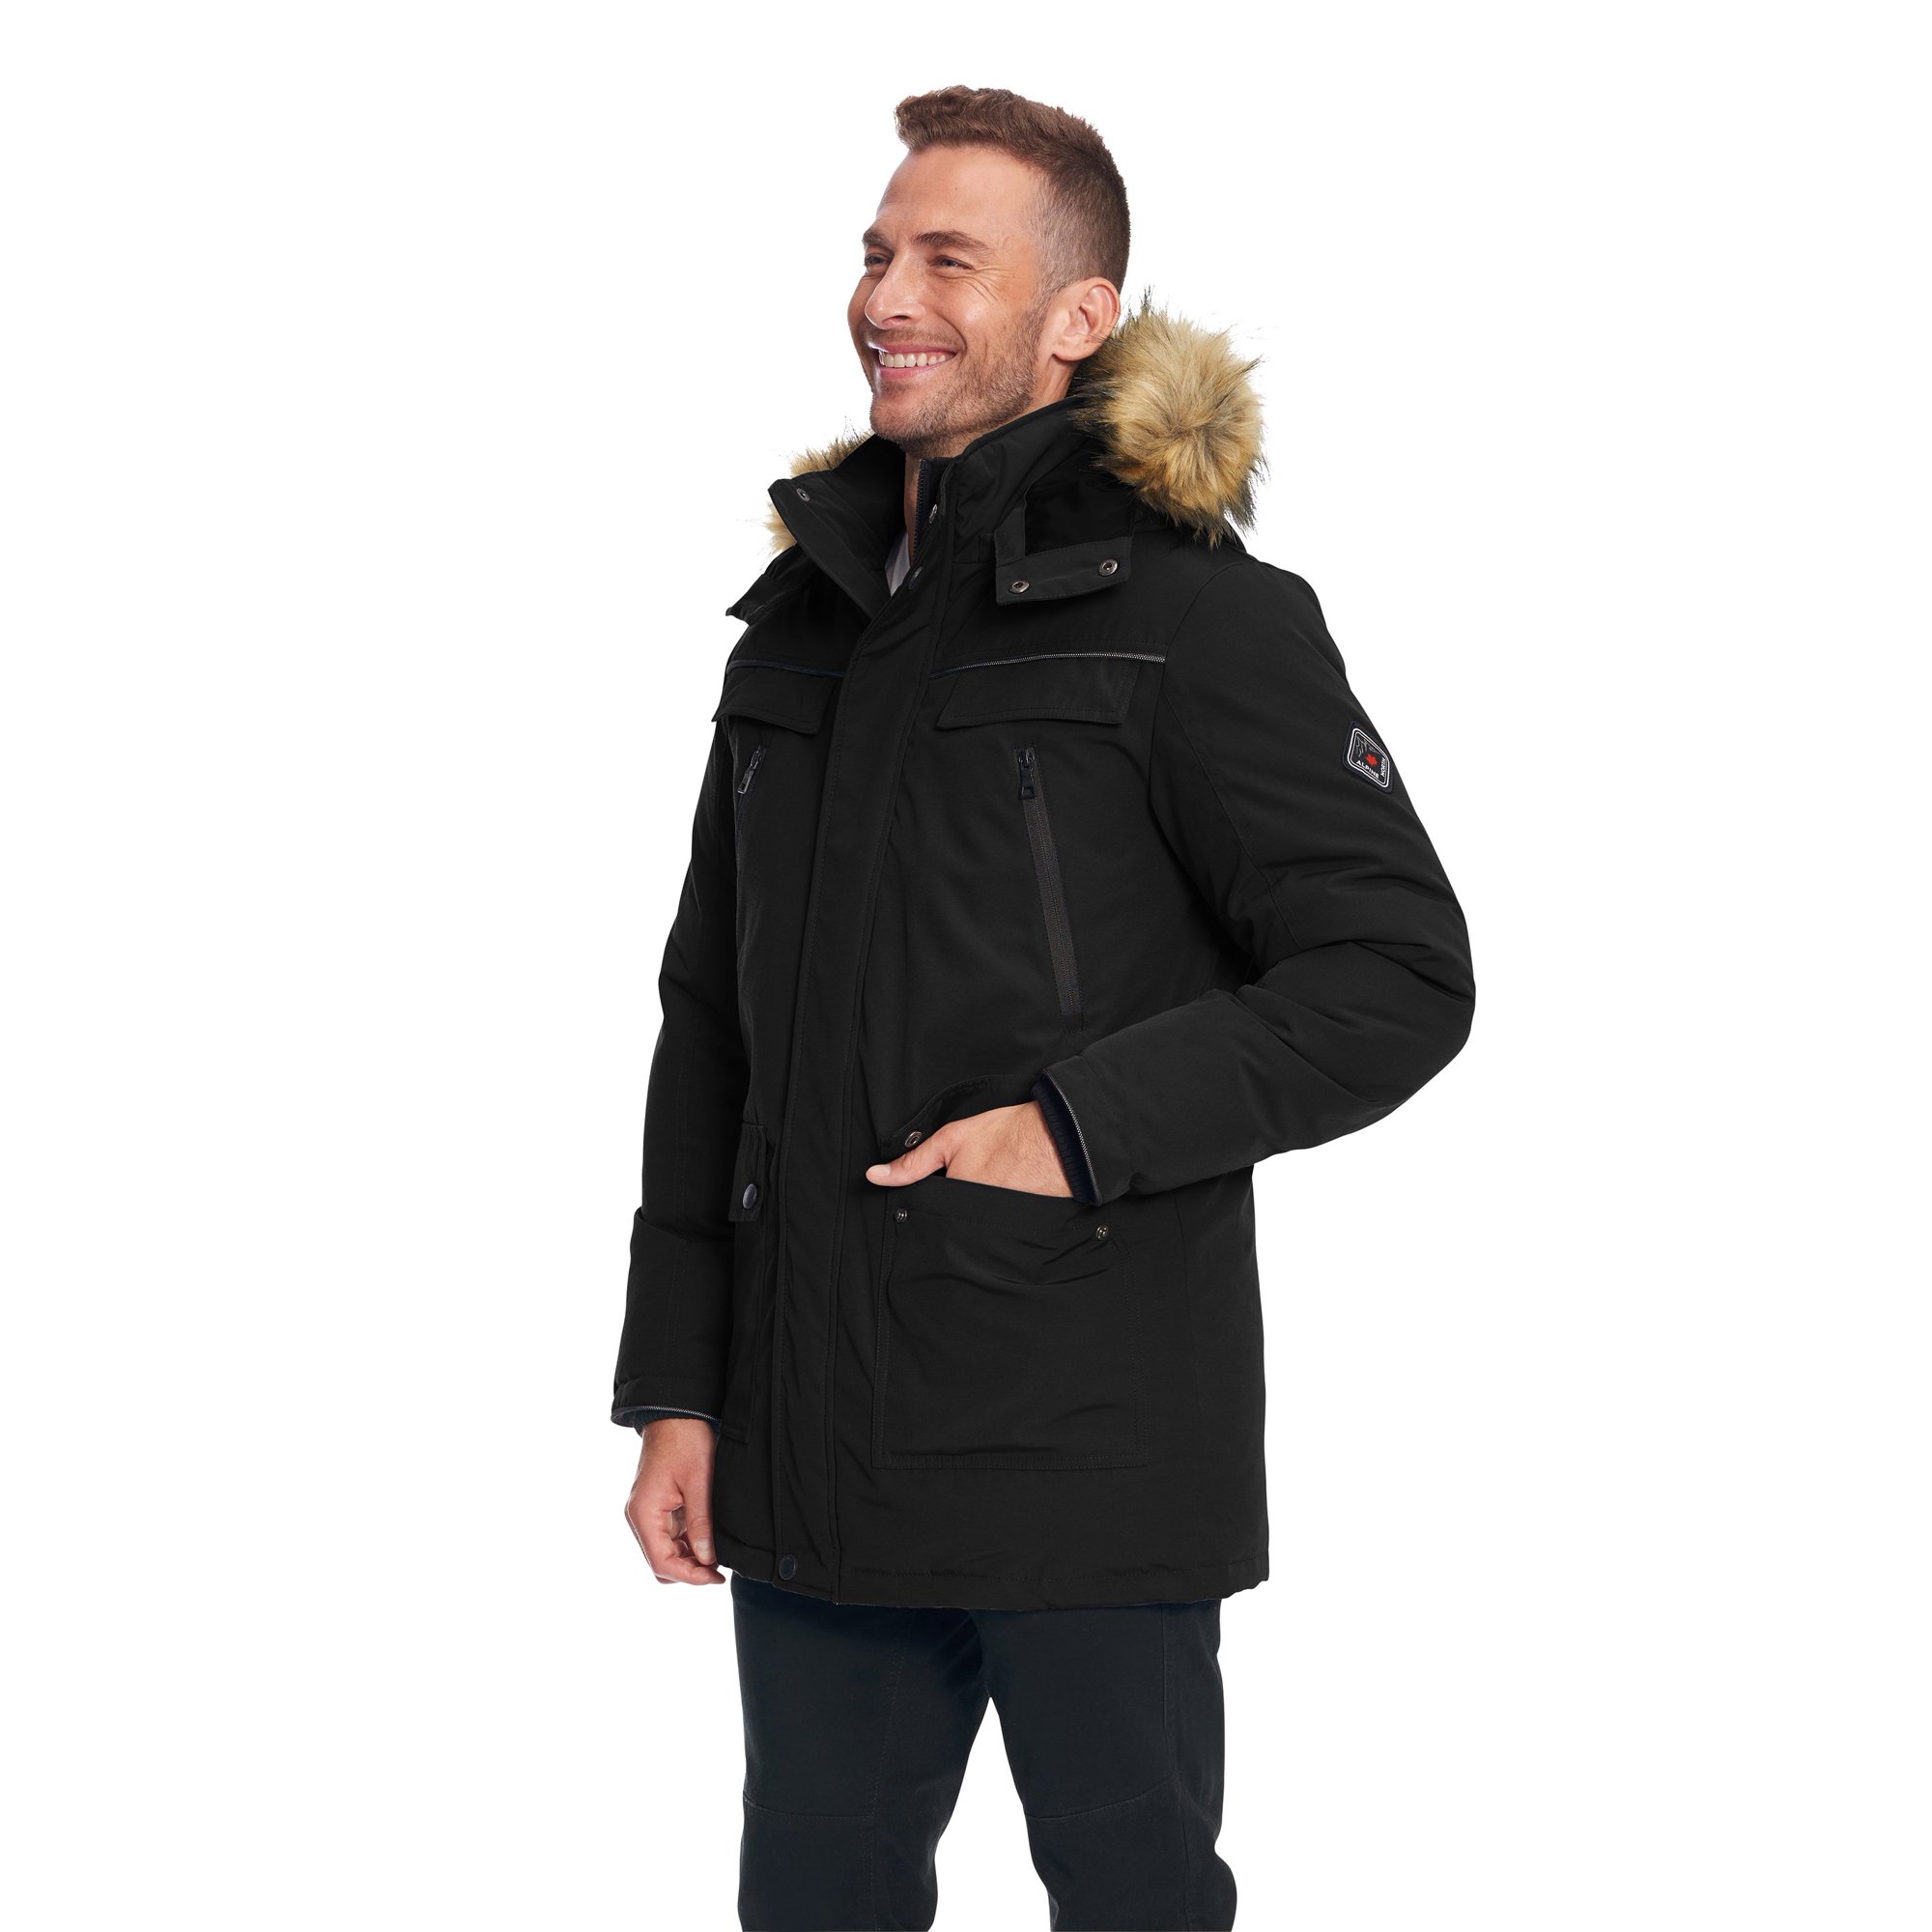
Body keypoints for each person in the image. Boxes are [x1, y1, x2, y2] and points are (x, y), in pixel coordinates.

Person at [614, 84, 1474, 1932]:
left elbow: (1394, 973)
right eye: (875, 254)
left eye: (949, 260)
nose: (885, 298)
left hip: (1085, 1445)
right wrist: (680, 1385)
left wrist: (1077, 1128)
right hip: (813, 1445)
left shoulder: (1200, 618)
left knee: (1132, 1896)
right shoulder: (801, 629)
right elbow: (712, 1025)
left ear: (1081, 315)